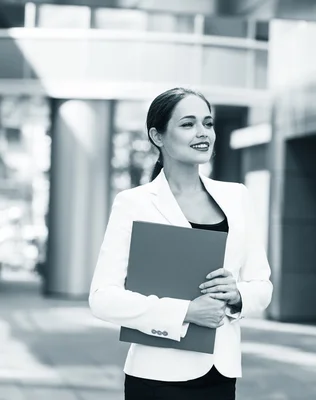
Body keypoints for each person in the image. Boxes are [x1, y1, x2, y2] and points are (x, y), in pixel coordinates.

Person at [88, 87, 273, 400]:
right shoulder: (134, 203)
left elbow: (262, 285)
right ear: (158, 136)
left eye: (208, 123)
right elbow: (103, 298)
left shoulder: (237, 196)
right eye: (188, 124)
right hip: (156, 376)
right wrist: (185, 312)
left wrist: (237, 295)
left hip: (221, 373)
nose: (202, 133)